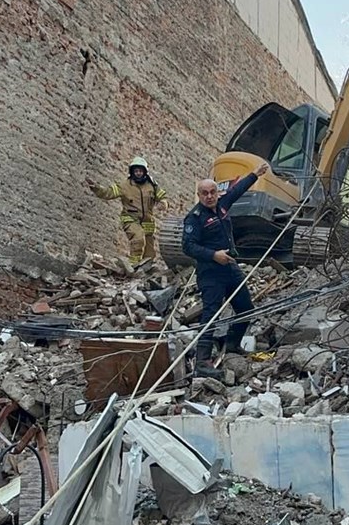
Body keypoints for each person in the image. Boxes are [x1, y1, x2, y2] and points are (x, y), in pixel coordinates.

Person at [182, 162, 270, 376]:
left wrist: (255, 174)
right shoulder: (194, 218)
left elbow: (236, 190)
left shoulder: (222, 205)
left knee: (246, 308)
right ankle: (202, 362)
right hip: (210, 273)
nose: (209, 196)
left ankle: (232, 344)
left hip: (230, 268)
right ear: (199, 195)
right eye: (204, 193)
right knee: (211, 315)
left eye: (212, 192)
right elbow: (188, 246)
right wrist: (213, 255)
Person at [86, 157, 168, 265]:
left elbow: (162, 196)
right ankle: (133, 266)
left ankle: (148, 268)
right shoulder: (124, 186)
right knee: (138, 238)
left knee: (149, 247)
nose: (138, 173)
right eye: (136, 171)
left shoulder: (152, 185)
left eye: (140, 171)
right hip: (130, 218)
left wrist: (163, 204)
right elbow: (108, 193)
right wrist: (96, 188)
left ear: (145, 172)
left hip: (148, 220)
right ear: (132, 172)